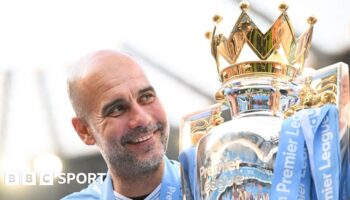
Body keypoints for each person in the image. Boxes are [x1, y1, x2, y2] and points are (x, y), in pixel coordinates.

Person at [62, 50, 182, 200]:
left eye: (146, 97)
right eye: (117, 109)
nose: (142, 119)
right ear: (85, 131)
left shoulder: (210, 184)